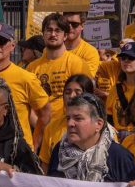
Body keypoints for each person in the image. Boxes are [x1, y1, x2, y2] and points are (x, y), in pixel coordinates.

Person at [0, 22, 50, 151]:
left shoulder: (25, 77)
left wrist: (34, 145)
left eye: (2, 41)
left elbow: (45, 111)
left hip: (15, 151)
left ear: (12, 46)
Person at [27, 13, 89, 146]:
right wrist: (41, 123)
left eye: (58, 30)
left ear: (65, 36)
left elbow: (86, 101)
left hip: (68, 131)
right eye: (49, 30)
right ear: (43, 34)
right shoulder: (32, 67)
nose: (53, 34)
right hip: (39, 133)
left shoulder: (77, 64)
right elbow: (29, 104)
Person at [48, 93, 135, 182]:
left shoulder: (119, 157)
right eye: (68, 118)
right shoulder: (59, 150)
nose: (70, 123)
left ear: (98, 124)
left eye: (78, 118)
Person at [96, 41, 135, 135]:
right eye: (123, 58)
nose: (126, 61)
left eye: (131, 58)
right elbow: (109, 119)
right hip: (119, 138)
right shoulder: (115, 89)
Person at [38, 74, 95, 170]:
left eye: (78, 92)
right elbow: (46, 166)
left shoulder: (102, 129)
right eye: (68, 92)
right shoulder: (52, 127)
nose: (72, 96)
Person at [62, 11, 100, 78]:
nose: (69, 27)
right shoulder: (53, 48)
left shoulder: (90, 52)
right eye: (66, 23)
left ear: (82, 26)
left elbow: (85, 81)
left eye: (74, 24)